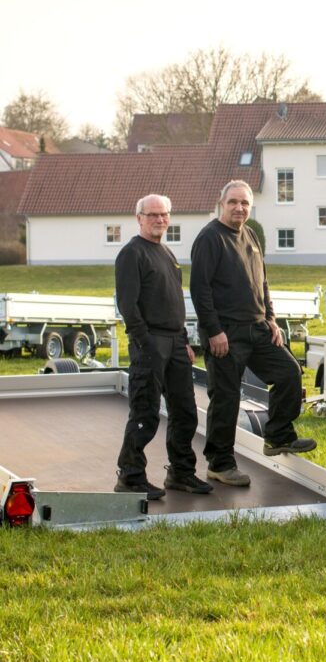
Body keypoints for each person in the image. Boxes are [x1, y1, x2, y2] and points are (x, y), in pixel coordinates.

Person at [189, 180, 315, 487]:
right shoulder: (209, 238)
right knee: (227, 399)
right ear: (222, 203)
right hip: (226, 335)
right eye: (233, 202)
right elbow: (199, 289)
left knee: (289, 373)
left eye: (245, 203)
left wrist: (271, 319)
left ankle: (278, 435)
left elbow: (263, 282)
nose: (239, 208)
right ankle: (219, 464)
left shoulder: (251, 235)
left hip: (258, 329)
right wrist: (214, 331)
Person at [115, 194, 212, 499]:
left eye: (164, 214)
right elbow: (127, 307)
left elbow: (173, 303)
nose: (159, 219)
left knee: (185, 411)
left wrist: (182, 342)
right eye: (152, 214)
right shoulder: (132, 253)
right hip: (150, 342)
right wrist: (146, 343)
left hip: (175, 342)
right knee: (145, 411)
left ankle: (181, 473)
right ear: (139, 217)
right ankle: (130, 477)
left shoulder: (167, 253)